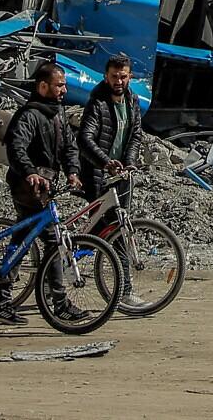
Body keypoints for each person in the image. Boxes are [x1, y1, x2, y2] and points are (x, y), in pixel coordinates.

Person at [0, 62, 83, 325]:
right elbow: (17, 147)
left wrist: (73, 171)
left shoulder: (58, 114)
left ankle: (2, 299)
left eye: (64, 85)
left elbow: (69, 148)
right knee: (51, 241)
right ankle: (57, 302)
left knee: (24, 238)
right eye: (59, 85)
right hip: (27, 187)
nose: (64, 90)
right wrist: (30, 172)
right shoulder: (28, 115)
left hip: (45, 186)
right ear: (42, 87)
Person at [77, 54, 149, 310]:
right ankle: (124, 291)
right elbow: (85, 139)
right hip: (99, 175)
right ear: (106, 76)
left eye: (123, 76)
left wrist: (128, 161)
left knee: (118, 228)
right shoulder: (96, 103)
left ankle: (72, 265)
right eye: (114, 76)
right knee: (115, 233)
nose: (119, 81)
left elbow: (135, 136)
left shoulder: (132, 100)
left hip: (122, 176)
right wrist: (105, 162)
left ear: (130, 77)